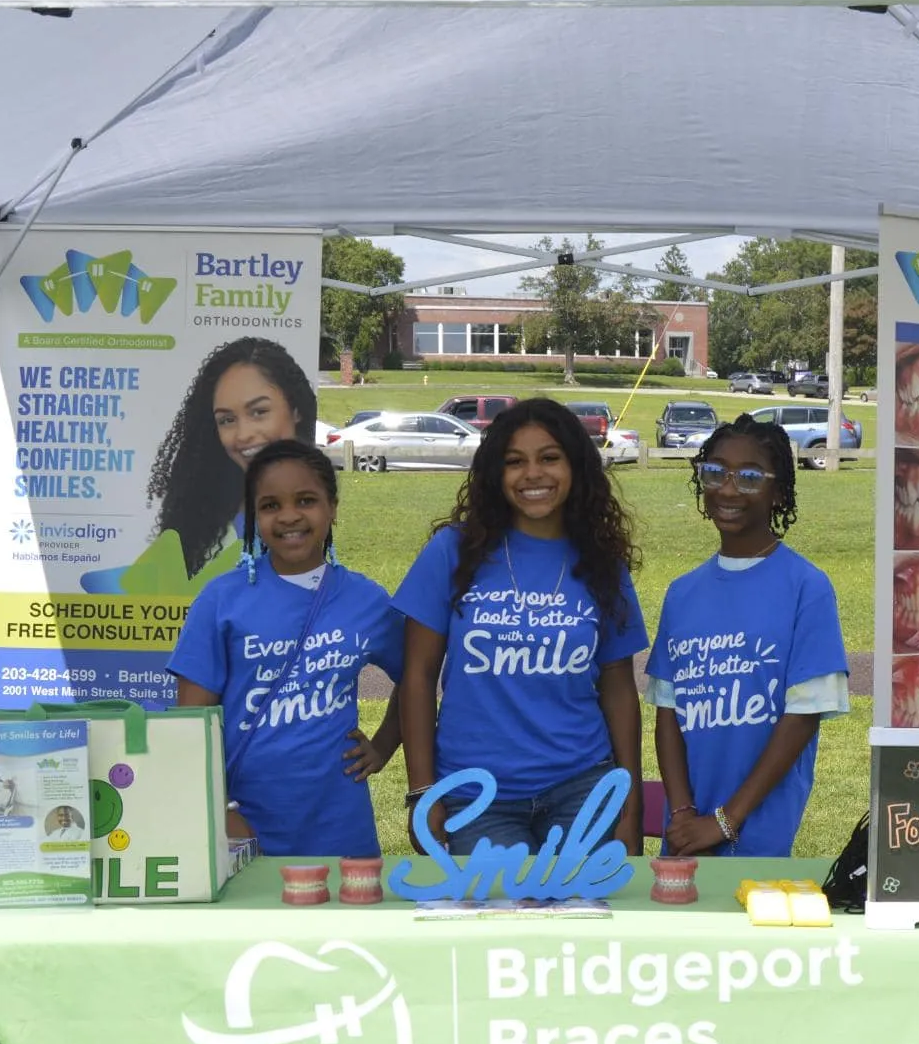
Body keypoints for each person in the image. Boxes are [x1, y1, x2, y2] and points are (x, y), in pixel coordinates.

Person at [395, 398, 646, 856]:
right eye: (515, 462)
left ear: (576, 467)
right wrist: (421, 792)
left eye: (549, 458)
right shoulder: (453, 552)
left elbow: (618, 686)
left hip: (583, 786)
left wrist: (629, 802)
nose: (533, 474)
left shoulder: (601, 561)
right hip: (476, 794)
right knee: (501, 904)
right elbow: (417, 676)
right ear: (496, 473)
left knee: (582, 903)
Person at [166, 439, 401, 857]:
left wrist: (383, 746)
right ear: (254, 516)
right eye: (271, 505)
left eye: (306, 500)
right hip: (243, 825)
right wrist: (220, 811)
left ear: (332, 507)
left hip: (340, 827)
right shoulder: (221, 600)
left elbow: (417, 677)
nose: (289, 516)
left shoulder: (366, 600)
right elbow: (189, 724)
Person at [649, 414, 849, 857]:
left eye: (750, 477)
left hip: (759, 835)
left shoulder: (807, 587)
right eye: (716, 472)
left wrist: (725, 821)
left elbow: (802, 717)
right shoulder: (682, 593)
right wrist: (682, 813)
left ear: (779, 492)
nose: (729, 489)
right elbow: (668, 713)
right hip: (686, 839)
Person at [94, 336, 321, 596]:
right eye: (227, 420)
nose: (243, 434)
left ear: (295, 409)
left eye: (259, 412)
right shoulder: (203, 529)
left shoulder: (320, 511)